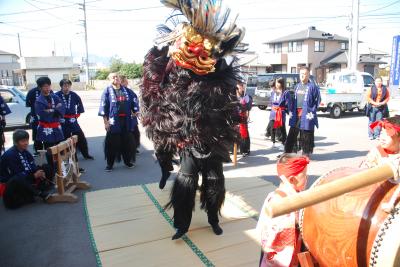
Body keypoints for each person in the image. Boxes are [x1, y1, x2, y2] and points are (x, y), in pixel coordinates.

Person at [141, 0, 244, 240]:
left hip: (213, 139)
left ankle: (213, 218)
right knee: (185, 182)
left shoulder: (218, 72)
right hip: (187, 138)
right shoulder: (175, 69)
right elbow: (155, 84)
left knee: (215, 181)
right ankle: (182, 225)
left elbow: (229, 91)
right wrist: (157, 54)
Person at [257, 153, 310, 267]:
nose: (307, 178)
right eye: (304, 175)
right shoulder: (279, 202)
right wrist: (298, 222)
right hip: (279, 259)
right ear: (291, 180)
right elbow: (276, 235)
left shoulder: (292, 195)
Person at [0, 130, 53, 209]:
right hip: (11, 184)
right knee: (18, 178)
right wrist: (34, 176)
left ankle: (44, 186)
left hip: (25, 177)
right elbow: (16, 174)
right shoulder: (10, 155)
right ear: (16, 142)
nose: (26, 143)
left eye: (27, 140)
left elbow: (32, 166)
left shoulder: (25, 151)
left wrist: (39, 172)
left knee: (46, 167)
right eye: (22, 141)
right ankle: (39, 193)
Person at [98, 73, 138, 171]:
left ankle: (127, 161)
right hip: (113, 121)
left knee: (127, 142)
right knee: (112, 143)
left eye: (117, 77)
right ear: (109, 79)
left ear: (120, 79)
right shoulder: (107, 91)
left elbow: (134, 101)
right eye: (113, 77)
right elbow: (104, 107)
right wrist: (105, 122)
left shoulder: (127, 91)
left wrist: (135, 111)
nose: (116, 78)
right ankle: (110, 164)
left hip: (126, 120)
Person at [285, 67, 321, 157]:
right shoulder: (297, 86)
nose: (302, 75)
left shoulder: (313, 87)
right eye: (301, 73)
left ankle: (306, 152)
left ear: (308, 75)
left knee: (306, 133)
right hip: (296, 113)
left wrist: (312, 109)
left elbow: (318, 99)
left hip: (307, 113)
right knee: (293, 132)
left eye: (304, 74)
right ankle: (290, 151)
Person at [55, 79, 94, 160]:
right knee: (65, 138)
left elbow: (80, 104)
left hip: (72, 119)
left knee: (80, 136)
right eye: (65, 86)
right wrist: (58, 117)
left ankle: (85, 154)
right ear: (61, 86)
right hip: (62, 120)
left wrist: (77, 114)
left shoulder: (74, 95)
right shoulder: (56, 95)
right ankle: (68, 156)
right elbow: (53, 108)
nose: (67, 87)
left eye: (68, 85)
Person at [35, 77, 65, 169]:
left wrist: (51, 110)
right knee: (49, 149)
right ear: (40, 88)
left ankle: (60, 167)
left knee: (60, 148)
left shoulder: (55, 97)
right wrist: (55, 109)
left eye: (48, 86)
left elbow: (62, 107)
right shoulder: (38, 100)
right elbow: (42, 114)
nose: (47, 88)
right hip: (46, 128)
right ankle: (52, 169)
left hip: (56, 127)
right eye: (45, 86)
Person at [120, 75, 140, 155]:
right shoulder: (114, 91)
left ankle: (134, 147)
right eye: (126, 81)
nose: (127, 82)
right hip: (123, 118)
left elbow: (135, 101)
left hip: (132, 117)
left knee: (134, 133)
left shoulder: (129, 91)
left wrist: (135, 111)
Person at [269, 77, 291, 150]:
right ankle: (273, 142)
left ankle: (283, 143)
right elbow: (271, 102)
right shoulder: (273, 92)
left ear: (282, 83)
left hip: (281, 112)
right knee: (272, 128)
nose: (277, 84)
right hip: (273, 112)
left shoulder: (285, 92)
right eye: (276, 82)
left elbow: (288, 103)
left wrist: (289, 111)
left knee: (282, 128)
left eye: (278, 82)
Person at [237, 81, 252, 156]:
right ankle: (235, 148)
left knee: (244, 132)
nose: (239, 89)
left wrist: (245, 104)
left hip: (243, 116)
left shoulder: (246, 96)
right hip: (235, 116)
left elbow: (249, 107)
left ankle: (245, 149)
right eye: (238, 87)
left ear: (243, 88)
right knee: (235, 132)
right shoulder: (234, 95)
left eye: (240, 87)